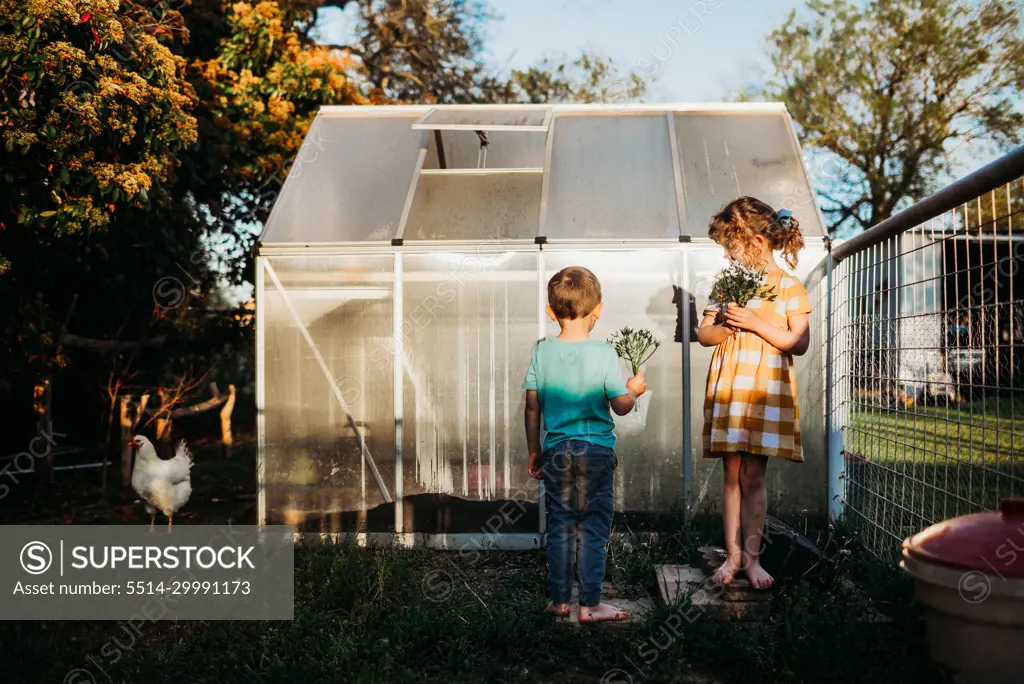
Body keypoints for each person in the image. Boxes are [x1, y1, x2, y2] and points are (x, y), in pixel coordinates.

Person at [697, 197, 811, 589]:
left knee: (755, 477)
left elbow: (798, 342)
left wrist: (755, 322)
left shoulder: (789, 286)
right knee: (731, 474)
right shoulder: (728, 284)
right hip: (731, 389)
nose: (728, 254)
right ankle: (732, 556)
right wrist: (729, 326)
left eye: (731, 245)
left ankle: (754, 558)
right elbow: (704, 335)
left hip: (765, 392)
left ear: (756, 244)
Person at [523, 266, 646, 622]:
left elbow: (532, 408)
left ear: (551, 312)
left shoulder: (542, 353)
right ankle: (590, 605)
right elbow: (621, 407)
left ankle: (560, 601)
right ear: (599, 310)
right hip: (595, 452)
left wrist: (535, 450)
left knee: (560, 527)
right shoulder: (605, 353)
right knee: (592, 526)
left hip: (558, 452)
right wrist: (634, 391)